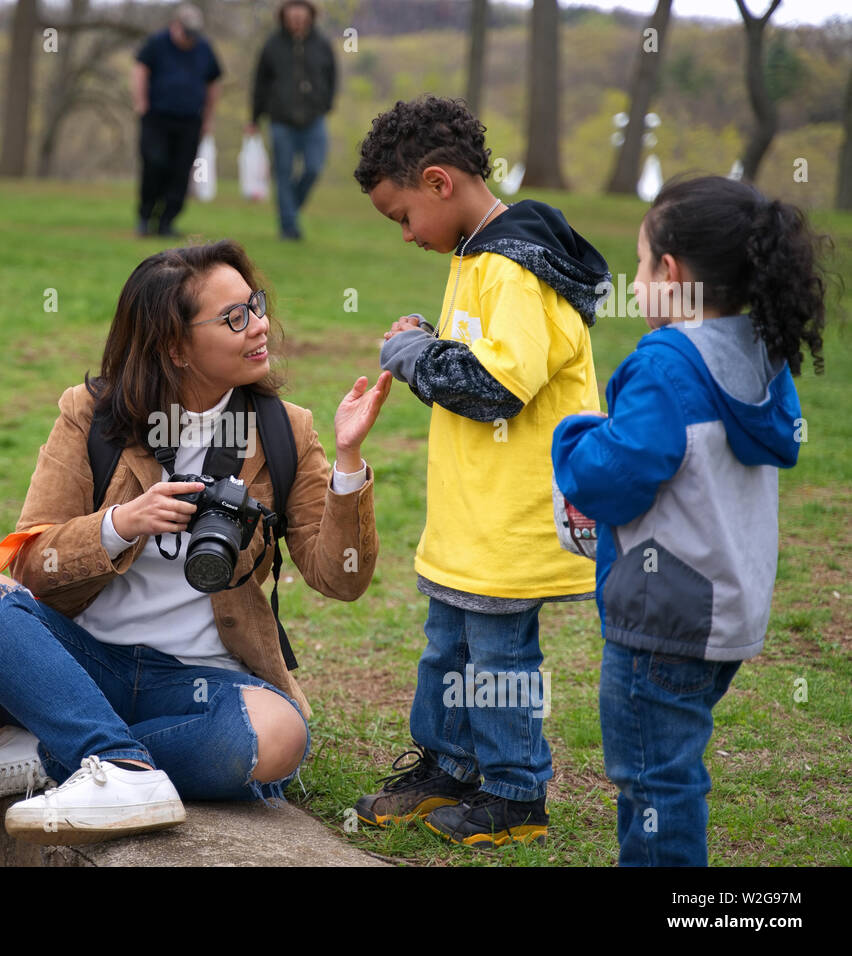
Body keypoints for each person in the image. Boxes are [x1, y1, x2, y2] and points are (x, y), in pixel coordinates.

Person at [0, 240, 390, 844]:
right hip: (83, 663)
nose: (260, 327)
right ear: (175, 346)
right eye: (234, 318)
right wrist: (121, 523)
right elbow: (32, 564)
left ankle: (57, 754)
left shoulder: (286, 430)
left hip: (199, 684)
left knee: (281, 738)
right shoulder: (92, 415)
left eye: (254, 306)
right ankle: (117, 760)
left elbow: (341, 579)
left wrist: (348, 463)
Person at [352, 96, 609, 847]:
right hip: (471, 518)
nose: (405, 235)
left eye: (402, 216)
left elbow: (499, 385)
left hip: (513, 514)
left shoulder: (509, 264)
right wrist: (429, 340)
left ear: (438, 183)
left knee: (498, 658)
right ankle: (449, 767)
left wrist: (411, 355)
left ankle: (515, 791)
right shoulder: (476, 253)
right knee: (449, 648)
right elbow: (483, 356)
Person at [551, 176, 825, 866]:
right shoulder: (763, 354)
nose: (636, 280)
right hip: (726, 615)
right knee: (673, 768)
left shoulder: (668, 364)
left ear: (669, 273)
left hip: (663, 621)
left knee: (655, 783)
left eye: (641, 264)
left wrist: (576, 435)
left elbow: (609, 476)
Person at [247, 0, 336, 240]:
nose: (296, 17)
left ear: (310, 15)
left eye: (301, 13)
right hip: (281, 119)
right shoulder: (272, 45)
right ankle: (289, 228)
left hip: (314, 118)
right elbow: (260, 83)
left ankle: (289, 211)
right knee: (283, 173)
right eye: (292, 13)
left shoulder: (322, 44)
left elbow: (331, 76)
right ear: (284, 16)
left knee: (314, 167)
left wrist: (326, 104)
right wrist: (254, 117)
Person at [132, 3, 221, 237]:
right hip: (157, 117)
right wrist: (141, 102)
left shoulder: (204, 49)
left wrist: (208, 118)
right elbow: (140, 69)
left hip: (190, 120)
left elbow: (213, 82)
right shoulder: (156, 44)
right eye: (185, 33)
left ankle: (166, 221)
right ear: (175, 25)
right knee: (155, 163)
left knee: (180, 171)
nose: (189, 39)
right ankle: (145, 216)